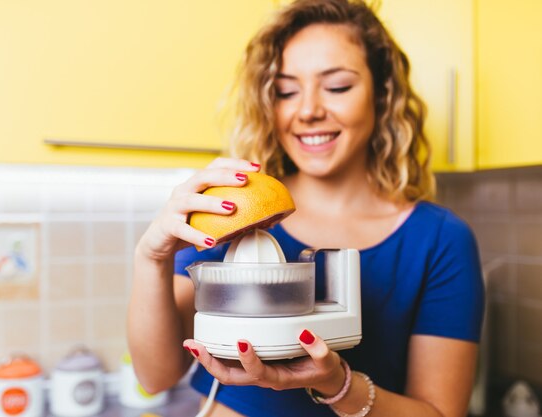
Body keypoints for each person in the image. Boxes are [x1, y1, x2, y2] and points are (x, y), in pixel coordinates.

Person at [126, 0, 485, 416]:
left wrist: (338, 384)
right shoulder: (232, 211)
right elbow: (154, 376)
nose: (309, 110)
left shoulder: (439, 240)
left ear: (382, 94)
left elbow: (440, 412)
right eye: (285, 91)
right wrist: (150, 256)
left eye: (337, 87)